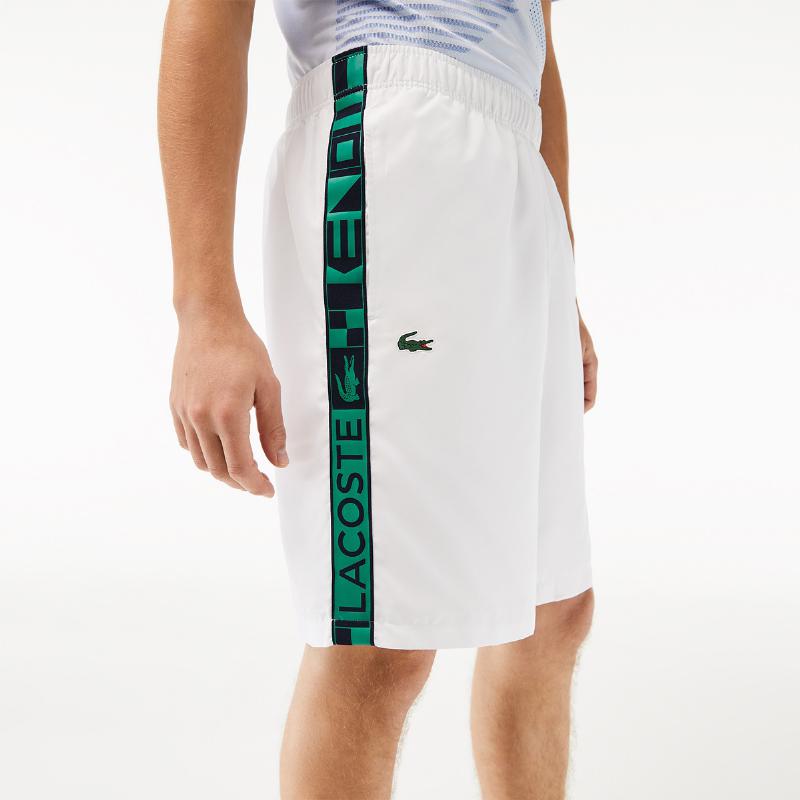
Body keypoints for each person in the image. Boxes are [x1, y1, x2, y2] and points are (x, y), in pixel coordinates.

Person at [158, 1, 598, 797]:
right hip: (398, 134)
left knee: (553, 609)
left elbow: (539, 51)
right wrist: (205, 305)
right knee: (376, 645)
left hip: (511, 163)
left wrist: (557, 282)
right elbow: (209, 13)